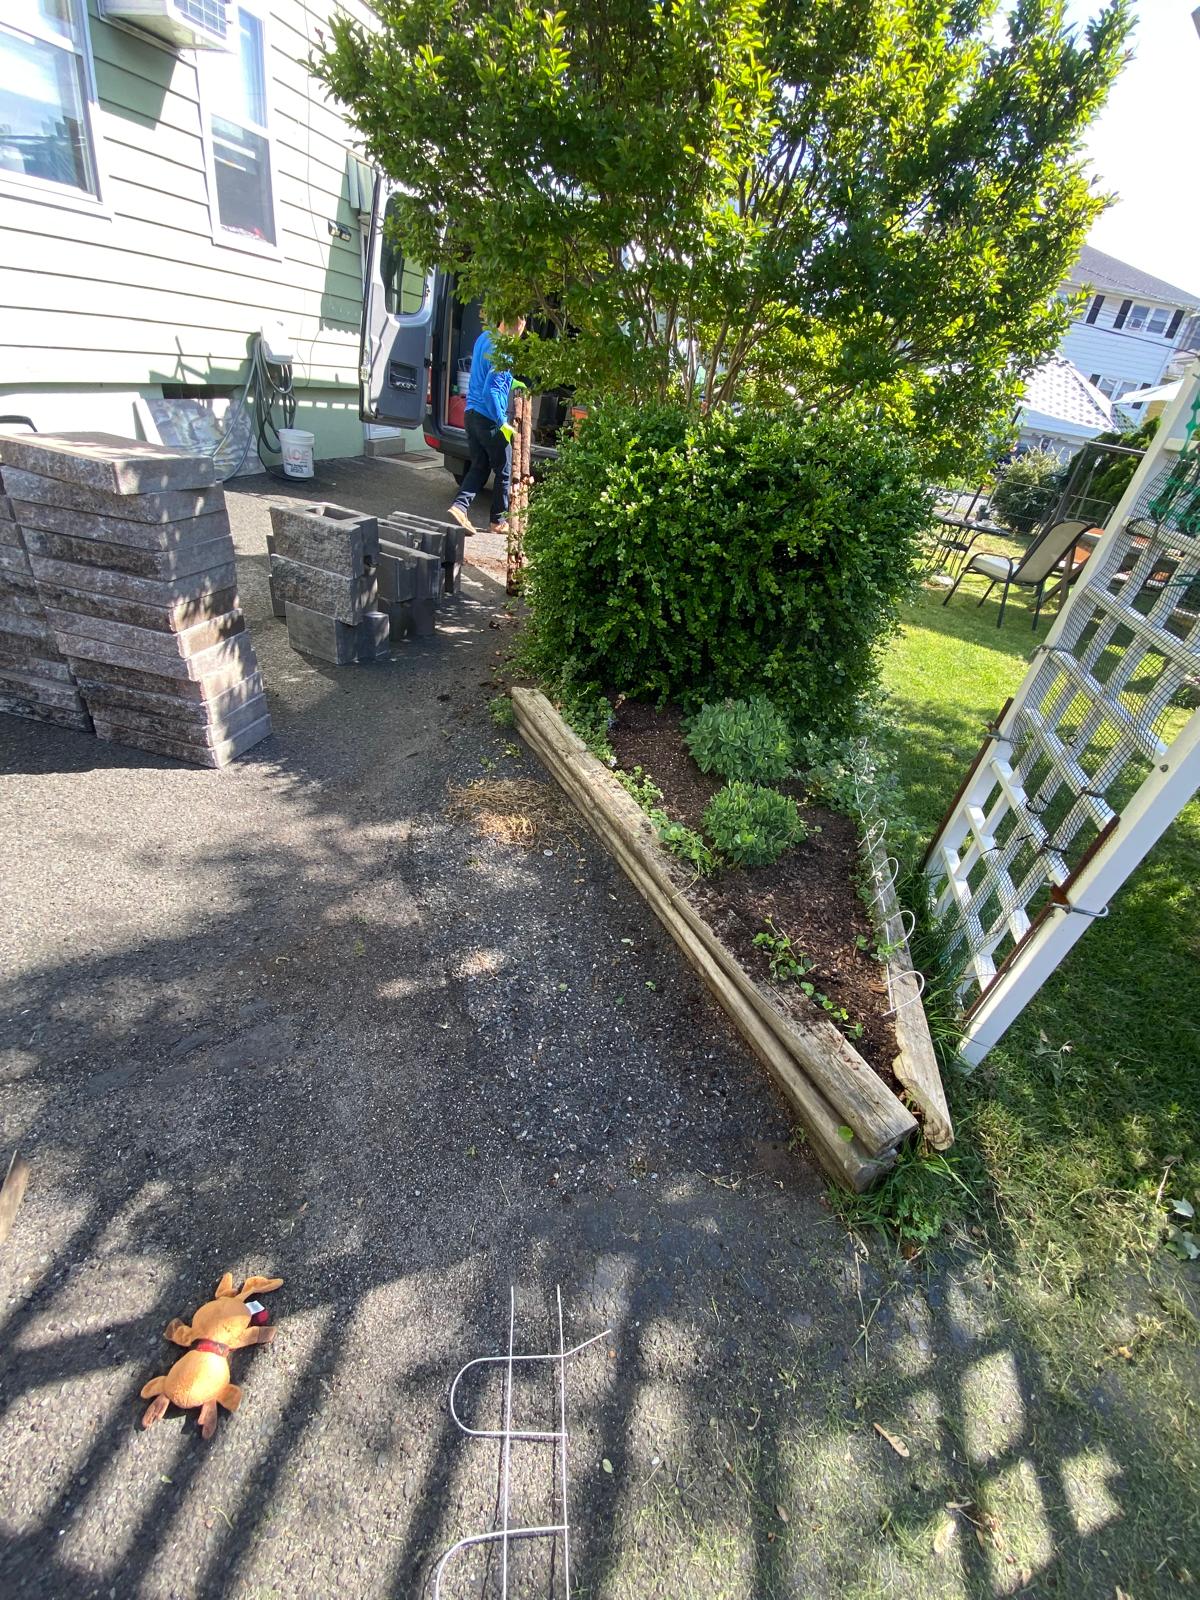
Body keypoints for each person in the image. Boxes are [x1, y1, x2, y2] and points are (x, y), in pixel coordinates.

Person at [447, 314, 527, 537]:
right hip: (488, 419)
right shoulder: (504, 351)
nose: (521, 334)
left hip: (470, 415)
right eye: (522, 329)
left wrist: (512, 382)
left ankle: (459, 507)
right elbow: (490, 391)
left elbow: (484, 374)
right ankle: (498, 521)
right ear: (517, 324)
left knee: (479, 465)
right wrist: (502, 422)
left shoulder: (484, 337)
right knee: (503, 469)